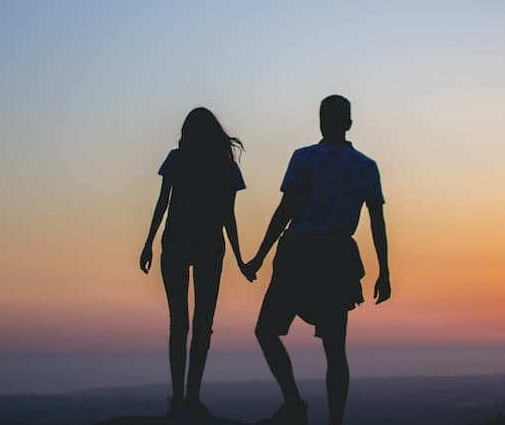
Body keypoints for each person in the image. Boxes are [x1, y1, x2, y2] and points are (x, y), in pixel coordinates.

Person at [244, 95, 391, 425]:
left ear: (321, 122)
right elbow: (377, 222)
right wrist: (384, 271)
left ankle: (294, 403)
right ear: (349, 123)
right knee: (335, 349)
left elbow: (285, 211)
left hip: (298, 252)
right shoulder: (365, 166)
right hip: (335, 257)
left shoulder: (304, 159)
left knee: (267, 330)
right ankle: (331, 420)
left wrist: (259, 256)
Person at [139, 107, 255, 422]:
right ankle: (190, 398)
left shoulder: (177, 159)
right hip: (208, 248)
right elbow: (228, 217)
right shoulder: (226, 168)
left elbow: (162, 203)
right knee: (202, 326)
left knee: (179, 325)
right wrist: (241, 259)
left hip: (175, 244)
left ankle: (180, 398)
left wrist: (148, 243)